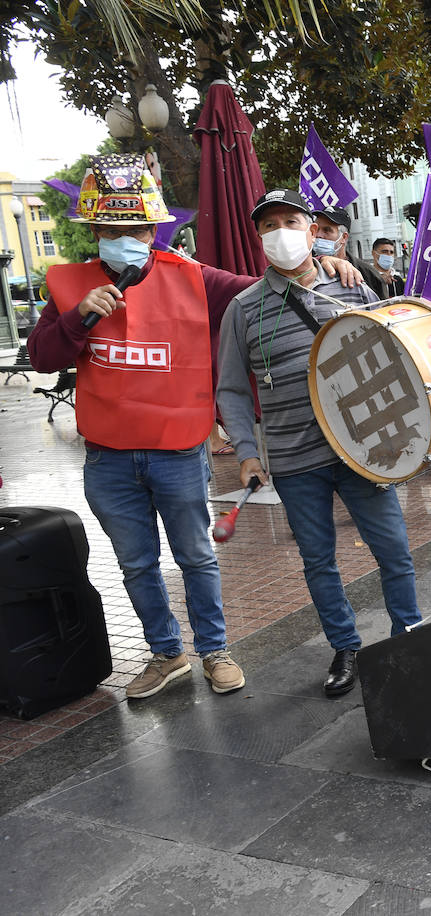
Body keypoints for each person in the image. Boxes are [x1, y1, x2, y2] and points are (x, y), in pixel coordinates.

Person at [29, 153, 252, 699]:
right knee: (136, 564)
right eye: (112, 228)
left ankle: (215, 650)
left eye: (135, 228)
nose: (124, 236)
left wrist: (325, 265)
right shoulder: (68, 285)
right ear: (95, 231)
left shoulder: (194, 277)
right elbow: (40, 357)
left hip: (178, 453)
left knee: (197, 556)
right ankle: (166, 653)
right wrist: (78, 316)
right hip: (108, 458)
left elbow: (261, 288)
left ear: (153, 228)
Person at [217, 188, 422, 697]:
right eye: (268, 226)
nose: (280, 233)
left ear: (314, 231)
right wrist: (246, 453)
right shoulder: (243, 309)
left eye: (291, 221)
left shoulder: (352, 287)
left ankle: (410, 638)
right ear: (258, 237)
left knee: (394, 551)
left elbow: (394, 355)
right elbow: (231, 389)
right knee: (317, 560)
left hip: (363, 451)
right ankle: (345, 645)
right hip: (292, 459)